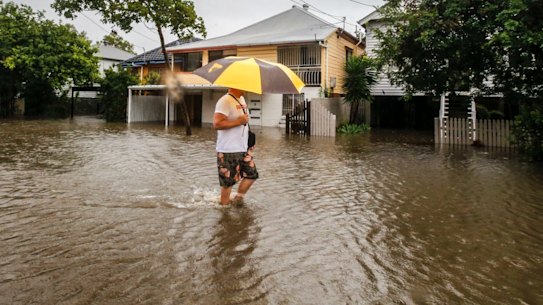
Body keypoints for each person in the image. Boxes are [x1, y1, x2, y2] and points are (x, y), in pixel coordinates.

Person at [213, 88, 258, 206]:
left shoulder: (241, 99)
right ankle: (224, 209)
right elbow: (217, 123)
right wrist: (238, 122)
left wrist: (249, 144)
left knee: (252, 175)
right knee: (228, 182)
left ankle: (238, 198)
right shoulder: (224, 101)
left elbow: (244, 124)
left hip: (243, 148)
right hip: (228, 150)